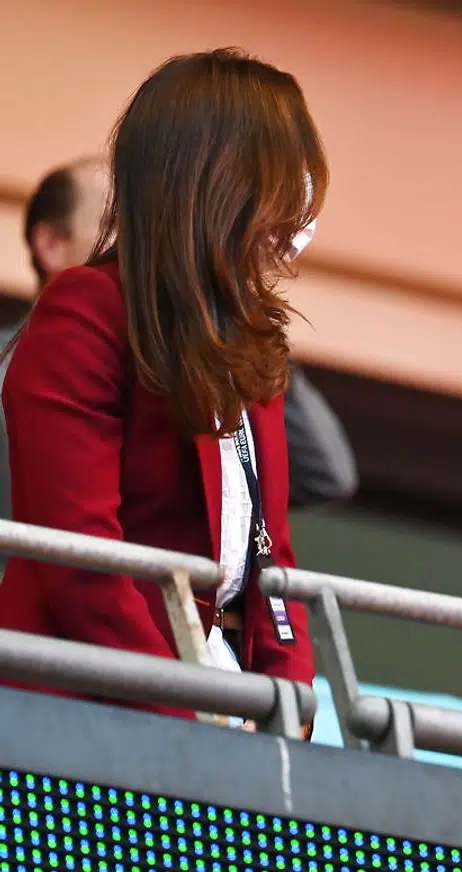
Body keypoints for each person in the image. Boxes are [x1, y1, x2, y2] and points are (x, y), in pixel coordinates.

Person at [0, 49, 327, 728]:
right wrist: (190, 716)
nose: (296, 224)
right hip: (83, 720)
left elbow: (272, 561)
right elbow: (81, 565)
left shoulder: (250, 347)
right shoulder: (86, 313)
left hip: (213, 717)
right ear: (217, 187)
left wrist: (290, 703)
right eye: (281, 190)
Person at [3, 157, 357, 527]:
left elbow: (323, 474)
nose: (149, 244)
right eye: (121, 223)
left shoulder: (188, 378)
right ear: (52, 244)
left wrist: (246, 332)